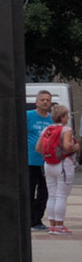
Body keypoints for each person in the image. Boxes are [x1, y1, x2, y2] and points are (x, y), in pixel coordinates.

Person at [45, 103, 77, 236]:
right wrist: (75, 147)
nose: (68, 118)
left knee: (52, 195)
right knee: (61, 196)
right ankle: (60, 225)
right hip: (64, 164)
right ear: (62, 117)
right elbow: (67, 147)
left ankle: (52, 225)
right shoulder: (66, 129)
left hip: (48, 164)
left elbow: (39, 148)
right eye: (67, 115)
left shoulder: (47, 129)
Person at [29, 89, 55, 232]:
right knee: (29, 190)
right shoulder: (28, 116)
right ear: (36, 102)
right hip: (30, 161)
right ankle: (30, 218)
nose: (45, 102)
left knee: (45, 192)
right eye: (42, 99)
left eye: (48, 100)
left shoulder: (52, 119)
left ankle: (37, 219)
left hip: (48, 162)